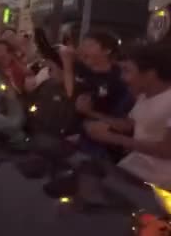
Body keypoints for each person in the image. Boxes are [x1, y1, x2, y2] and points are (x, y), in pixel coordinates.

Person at [85, 44, 171, 189]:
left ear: (150, 74)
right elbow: (129, 124)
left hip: (158, 184)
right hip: (132, 169)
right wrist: (92, 115)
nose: (123, 77)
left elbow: (166, 150)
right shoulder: (144, 95)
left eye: (127, 71)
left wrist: (111, 137)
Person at [59, 30, 133, 159]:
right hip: (73, 136)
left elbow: (71, 95)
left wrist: (67, 65)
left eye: (90, 45)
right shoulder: (80, 68)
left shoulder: (119, 78)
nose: (83, 49)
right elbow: (70, 95)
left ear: (107, 50)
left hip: (100, 145)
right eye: (83, 45)